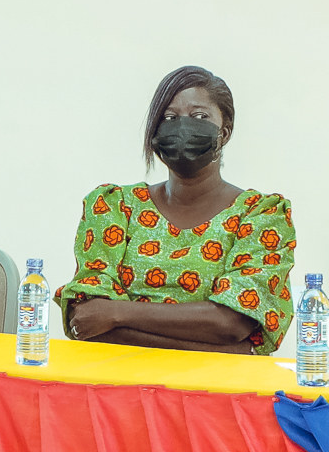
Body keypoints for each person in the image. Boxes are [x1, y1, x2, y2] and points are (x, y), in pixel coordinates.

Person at [58, 66, 295, 354]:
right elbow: (87, 316)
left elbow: (234, 323)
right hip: (117, 385)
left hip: (220, 392)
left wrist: (116, 315)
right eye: (169, 118)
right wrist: (222, 348)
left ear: (225, 131)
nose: (183, 126)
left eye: (199, 116)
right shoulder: (115, 207)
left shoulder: (261, 215)